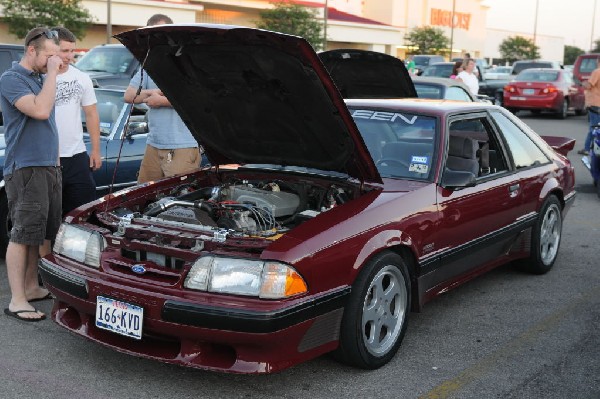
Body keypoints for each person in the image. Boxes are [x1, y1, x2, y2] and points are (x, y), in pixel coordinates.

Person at [0, 28, 62, 322]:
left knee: (39, 234)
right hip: (25, 167)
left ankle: (31, 287)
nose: (54, 60)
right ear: (32, 50)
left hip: (48, 165)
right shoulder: (11, 79)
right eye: (49, 54)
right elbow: (39, 110)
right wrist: (51, 74)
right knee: (22, 234)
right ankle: (17, 300)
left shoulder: (38, 79)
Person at [124, 13, 202, 183]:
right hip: (153, 144)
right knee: (145, 197)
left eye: (159, 34)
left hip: (182, 146)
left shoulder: (185, 61)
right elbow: (129, 95)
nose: (155, 39)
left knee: (180, 201)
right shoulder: (149, 63)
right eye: (151, 35)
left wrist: (162, 101)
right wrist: (154, 93)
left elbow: (196, 98)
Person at [52, 26, 102, 215]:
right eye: (65, 51)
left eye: (72, 51)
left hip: (77, 157)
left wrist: (95, 150)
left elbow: (91, 113)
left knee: (83, 214)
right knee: (50, 217)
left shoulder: (81, 78)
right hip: (47, 160)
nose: (70, 56)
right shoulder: (37, 78)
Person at [580, 58, 600, 155]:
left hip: (595, 103)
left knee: (594, 128)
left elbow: (589, 85)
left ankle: (587, 149)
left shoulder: (597, 71)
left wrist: (583, 83)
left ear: (598, 61)